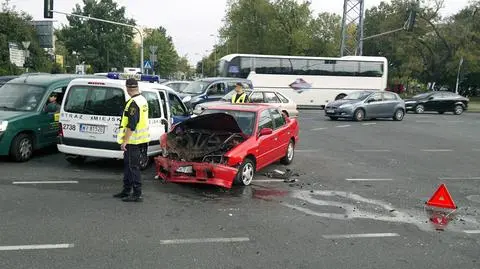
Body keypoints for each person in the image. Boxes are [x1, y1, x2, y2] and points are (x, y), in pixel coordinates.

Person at [113, 78, 149, 202]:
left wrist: (125, 141)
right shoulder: (142, 100)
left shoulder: (133, 103)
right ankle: (126, 190)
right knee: (129, 166)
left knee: (133, 167)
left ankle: (137, 194)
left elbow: (131, 125)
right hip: (140, 140)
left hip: (133, 141)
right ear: (137, 87)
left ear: (128, 88)